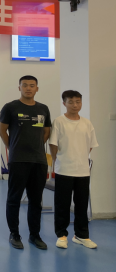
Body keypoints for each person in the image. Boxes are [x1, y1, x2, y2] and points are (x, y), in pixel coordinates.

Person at [0, 75, 51, 250]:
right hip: (18, 160)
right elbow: (2, 131)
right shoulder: (10, 107)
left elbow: (46, 132)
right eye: (25, 85)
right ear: (19, 88)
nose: (28, 88)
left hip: (39, 161)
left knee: (36, 201)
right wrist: (12, 147)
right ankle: (14, 234)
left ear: (37, 88)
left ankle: (34, 235)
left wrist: (36, 146)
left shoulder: (43, 108)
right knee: (14, 199)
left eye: (32, 85)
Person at [49, 90, 98, 249]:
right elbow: (53, 144)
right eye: (71, 102)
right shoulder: (59, 121)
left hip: (83, 170)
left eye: (78, 102)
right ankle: (61, 235)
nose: (75, 105)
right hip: (64, 169)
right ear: (64, 103)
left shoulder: (87, 123)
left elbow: (90, 145)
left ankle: (81, 235)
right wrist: (59, 160)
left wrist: (79, 158)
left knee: (82, 204)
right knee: (62, 204)